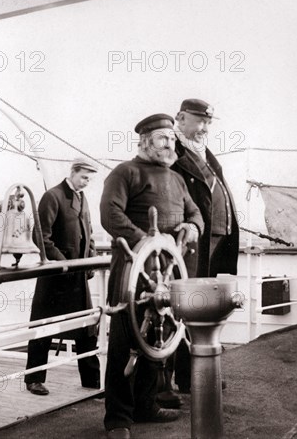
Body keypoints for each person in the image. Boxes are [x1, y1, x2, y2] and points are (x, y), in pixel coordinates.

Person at [100, 114, 204, 439]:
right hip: (133, 269)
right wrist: (144, 241)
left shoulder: (176, 179)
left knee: (159, 338)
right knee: (124, 340)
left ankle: (146, 405)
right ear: (145, 141)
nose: (170, 143)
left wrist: (192, 227)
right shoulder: (125, 172)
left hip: (167, 271)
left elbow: (196, 212)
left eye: (172, 139)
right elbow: (109, 213)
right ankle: (118, 419)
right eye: (163, 138)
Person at [170, 98, 240, 393]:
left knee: (207, 309)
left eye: (209, 122)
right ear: (181, 118)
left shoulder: (204, 153)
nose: (205, 128)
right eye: (200, 121)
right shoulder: (171, 151)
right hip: (192, 244)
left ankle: (199, 374)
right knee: (187, 308)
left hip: (216, 241)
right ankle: (184, 378)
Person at [25, 158, 100, 395]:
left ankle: (92, 381)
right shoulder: (53, 196)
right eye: (84, 177)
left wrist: (91, 258)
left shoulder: (81, 198)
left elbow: (88, 233)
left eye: (90, 179)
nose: (87, 183)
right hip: (55, 278)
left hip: (77, 277)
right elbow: (42, 238)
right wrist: (65, 264)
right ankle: (34, 379)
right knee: (43, 328)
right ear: (73, 173)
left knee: (87, 328)